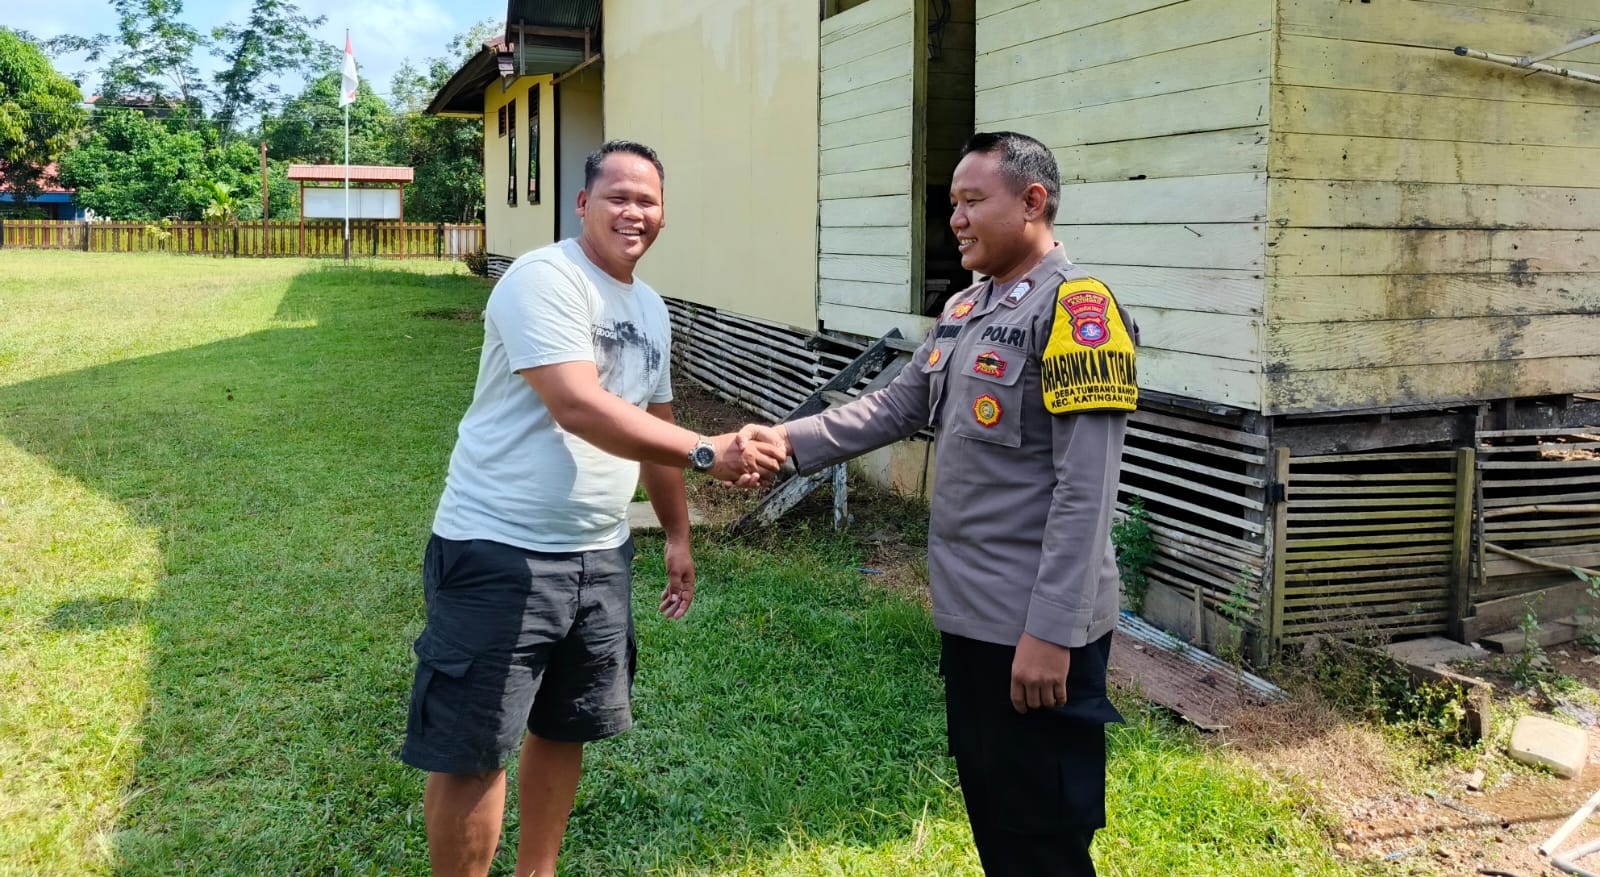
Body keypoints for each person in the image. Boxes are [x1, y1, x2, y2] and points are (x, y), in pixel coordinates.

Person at [744, 131, 1138, 876]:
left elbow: (1086, 491)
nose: (955, 219)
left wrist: (1052, 632)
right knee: (996, 810)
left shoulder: (1079, 310)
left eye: (971, 200)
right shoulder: (965, 308)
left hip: (1036, 626)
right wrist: (782, 441)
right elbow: (893, 407)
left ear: (1032, 201)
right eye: (950, 203)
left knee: (1044, 833)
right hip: (972, 618)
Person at [401, 139, 782, 877]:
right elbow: (577, 404)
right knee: (475, 747)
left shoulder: (651, 308)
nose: (634, 211)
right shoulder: (544, 279)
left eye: (648, 200)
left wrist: (676, 532)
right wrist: (711, 449)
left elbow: (655, 424)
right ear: (584, 204)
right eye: (618, 196)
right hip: (498, 549)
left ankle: (537, 871)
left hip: (600, 553)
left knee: (564, 724)